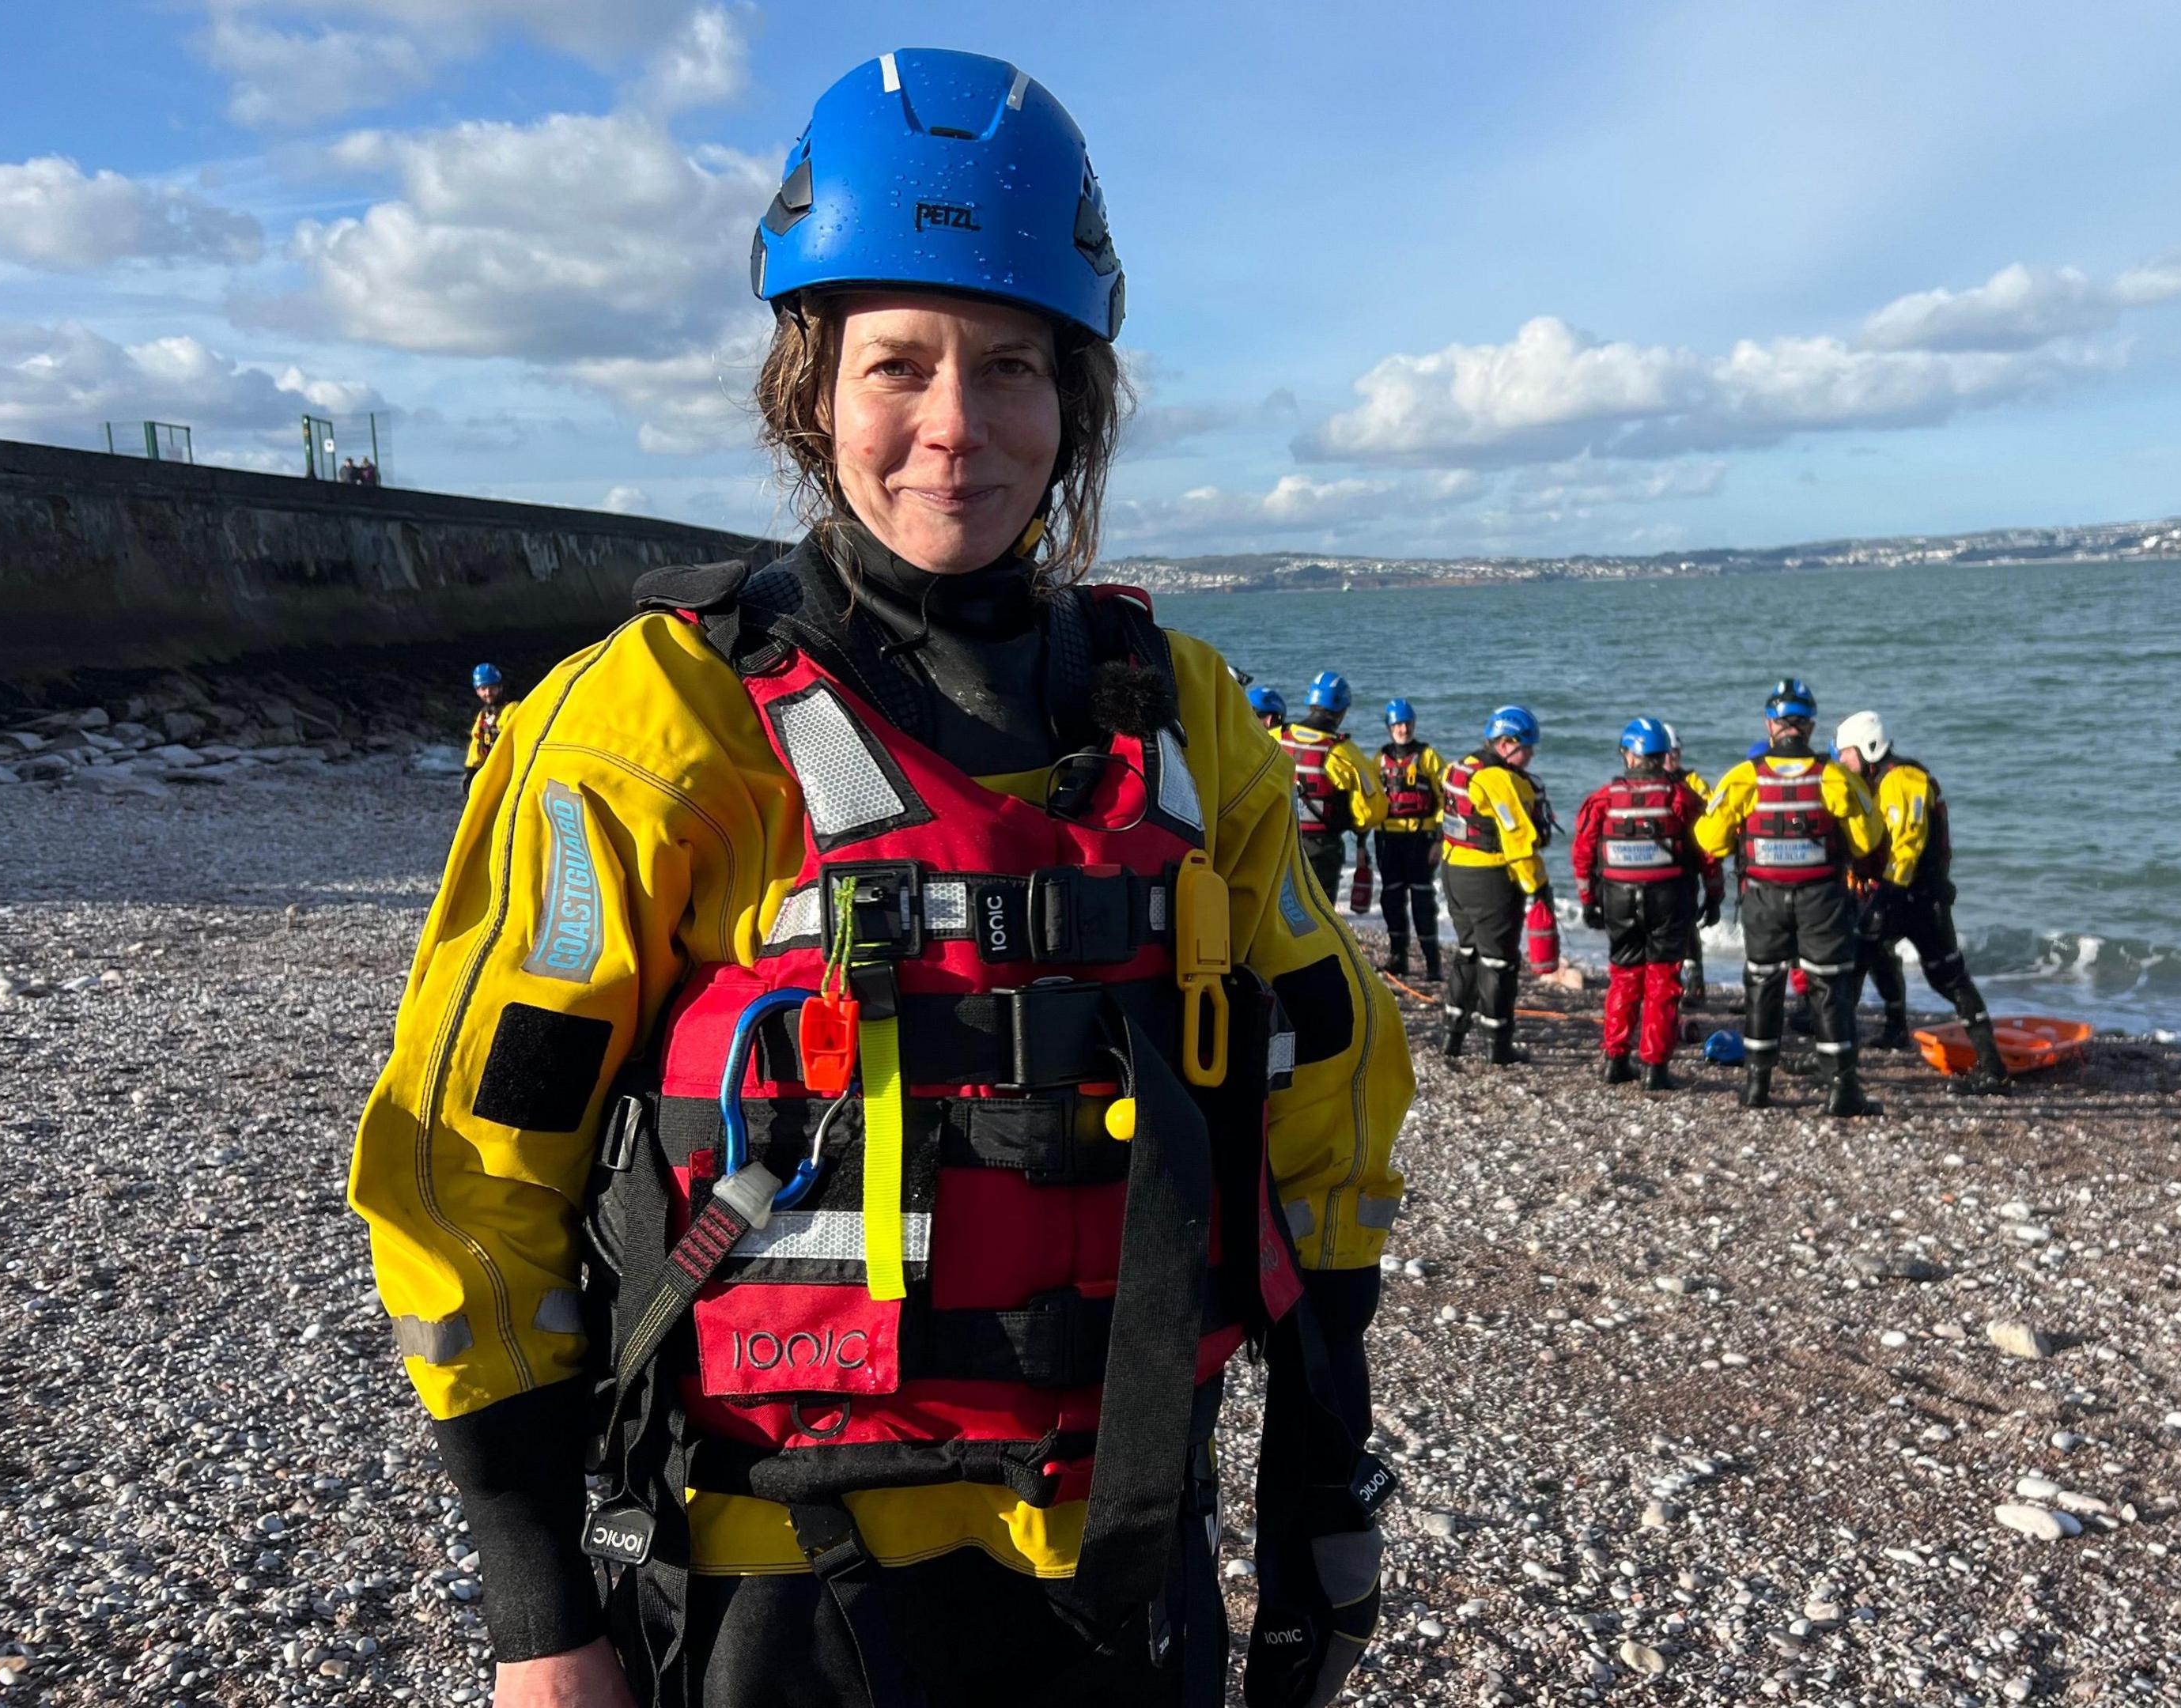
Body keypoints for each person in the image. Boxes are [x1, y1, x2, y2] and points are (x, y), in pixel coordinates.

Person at [347, 51, 1410, 1708]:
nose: (954, 427)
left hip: (1127, 1565)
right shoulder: (652, 721)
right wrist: (538, 1615)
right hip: (787, 1596)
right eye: (897, 363)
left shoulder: (1191, 720)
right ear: (810, 390)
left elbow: (1327, 1118)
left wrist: (1322, 1503)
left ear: (1077, 403)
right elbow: (469, 1170)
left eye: (1010, 366)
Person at [1695, 679, 1885, 1116]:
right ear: (1811, 728)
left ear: (1770, 725)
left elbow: (1710, 839)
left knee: (1762, 984)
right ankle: (1842, 1091)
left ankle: (1757, 1086)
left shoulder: (1744, 777)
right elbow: (1867, 840)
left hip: (1763, 900)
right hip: (1822, 901)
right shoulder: (1834, 776)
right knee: (1830, 987)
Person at [1840, 709, 2008, 1095]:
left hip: (1913, 898)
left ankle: (1994, 1070)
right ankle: (1894, 1030)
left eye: (1845, 753)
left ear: (1868, 749)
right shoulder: (1882, 781)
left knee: (1943, 977)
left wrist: (1883, 896)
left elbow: (1907, 844)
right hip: (1907, 896)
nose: (1841, 761)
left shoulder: (1904, 780)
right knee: (1869, 961)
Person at [1572, 717, 1717, 1090]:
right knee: (1663, 980)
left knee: (1624, 975)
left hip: (1618, 899)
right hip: (1669, 900)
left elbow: (1583, 852)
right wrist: (1715, 896)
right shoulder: (1682, 797)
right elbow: (1708, 851)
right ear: (1661, 756)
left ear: (1629, 755)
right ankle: (1655, 1067)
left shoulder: (1603, 798)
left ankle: (1615, 1058)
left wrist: (1589, 900)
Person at [1437, 705, 1552, 1064]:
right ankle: (1497, 1047)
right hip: (1489, 880)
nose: (1531, 755)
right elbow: (1519, 839)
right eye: (1526, 747)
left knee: (1468, 953)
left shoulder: (1456, 768)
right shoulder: (1499, 780)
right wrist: (1538, 886)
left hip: (1454, 873)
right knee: (1499, 963)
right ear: (1505, 743)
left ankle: (1451, 1038)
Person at [1274, 671, 1387, 903]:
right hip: (1321, 851)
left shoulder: (1275, 738)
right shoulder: (1344, 752)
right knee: (1318, 914)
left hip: (1275, 841)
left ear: (1311, 704)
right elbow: (1372, 811)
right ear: (1342, 711)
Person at [1370, 697, 1446, 981]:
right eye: (1398, 724)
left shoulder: (1427, 757)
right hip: (1388, 841)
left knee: (1423, 902)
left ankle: (1433, 965)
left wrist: (1439, 840)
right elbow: (1367, 800)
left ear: (1414, 723)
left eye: (1407, 723)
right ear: (1389, 727)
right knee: (1391, 900)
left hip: (1421, 840)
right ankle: (1398, 958)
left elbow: (1446, 799)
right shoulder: (1378, 759)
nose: (1403, 729)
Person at [1659, 722, 1716, 998]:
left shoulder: (1692, 782)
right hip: (1660, 867)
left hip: (1687, 864)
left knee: (1688, 922)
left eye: (1676, 752)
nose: (1673, 758)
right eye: (1669, 752)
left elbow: (1711, 808)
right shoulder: (1651, 785)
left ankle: (1695, 978)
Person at [463, 663, 509, 791]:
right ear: (477, 691)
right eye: (483, 689)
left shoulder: (511, 710)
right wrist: (471, 770)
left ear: (500, 687)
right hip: (490, 773)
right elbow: (477, 743)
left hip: (508, 773)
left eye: (492, 688)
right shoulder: (483, 715)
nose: (488, 693)